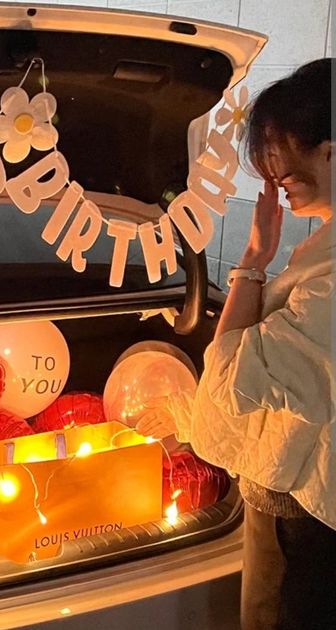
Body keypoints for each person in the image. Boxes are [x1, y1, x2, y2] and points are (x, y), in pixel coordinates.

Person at [136, 58, 334, 630]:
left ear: (330, 152)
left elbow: (229, 382)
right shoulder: (322, 252)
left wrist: (252, 260)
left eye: (279, 152)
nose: (273, 176)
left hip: (311, 518)